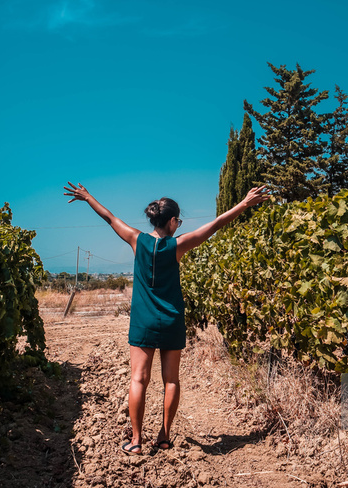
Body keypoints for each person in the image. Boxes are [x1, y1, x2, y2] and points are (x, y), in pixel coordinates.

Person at [63, 182, 269, 455]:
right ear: (171, 221)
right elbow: (217, 224)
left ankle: (136, 441)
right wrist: (244, 203)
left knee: (138, 379)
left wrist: (88, 197)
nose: (179, 226)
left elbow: (109, 217)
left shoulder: (137, 239)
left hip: (143, 321)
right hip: (171, 320)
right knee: (171, 380)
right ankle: (163, 436)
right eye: (178, 221)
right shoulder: (178, 246)